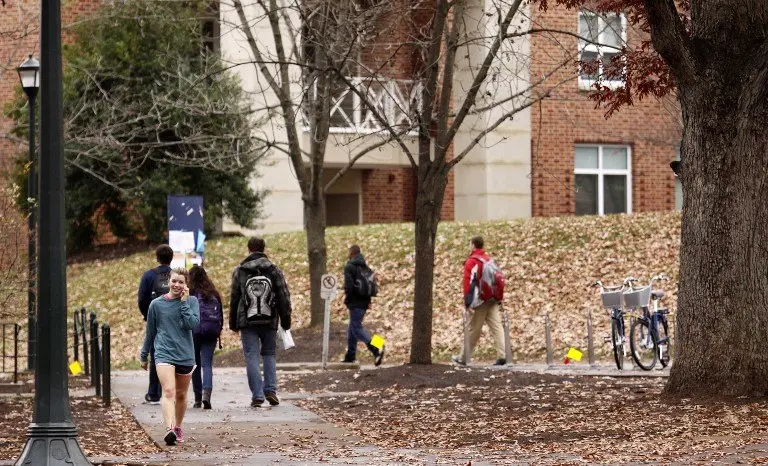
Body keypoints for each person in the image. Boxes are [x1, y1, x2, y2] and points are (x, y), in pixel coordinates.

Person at [139, 268, 200, 446]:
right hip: (163, 353)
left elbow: (192, 325)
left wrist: (183, 303)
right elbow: (150, 332)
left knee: (181, 395)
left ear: (186, 285)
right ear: (168, 281)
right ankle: (170, 429)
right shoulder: (156, 305)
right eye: (174, 281)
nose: (177, 285)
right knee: (168, 392)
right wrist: (144, 355)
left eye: (181, 282)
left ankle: (178, 426)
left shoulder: (192, 301)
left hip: (185, 355)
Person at [229, 237, 292, 408]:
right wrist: (286, 321)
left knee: (251, 356)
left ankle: (257, 395)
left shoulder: (240, 270)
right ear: (264, 249)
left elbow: (234, 298)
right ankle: (270, 389)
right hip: (270, 318)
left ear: (249, 249)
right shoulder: (273, 270)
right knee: (269, 354)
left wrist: (233, 323)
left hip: (247, 321)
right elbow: (283, 297)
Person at [452, 236, 506, 366]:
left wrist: (468, 302)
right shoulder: (489, 259)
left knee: (473, 329)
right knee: (497, 327)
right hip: (492, 299)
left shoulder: (471, 261)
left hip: (479, 300)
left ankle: (463, 358)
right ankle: (503, 355)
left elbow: (468, 282)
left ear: (473, 245)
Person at [137, 244, 174, 404]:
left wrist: (148, 315)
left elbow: (142, 299)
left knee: (155, 355)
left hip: (156, 320)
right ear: (171, 258)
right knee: (174, 355)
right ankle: (172, 390)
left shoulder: (148, 276)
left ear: (157, 258)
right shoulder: (176, 276)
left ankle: (153, 393)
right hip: (174, 322)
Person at [342, 245, 384, 366]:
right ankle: (350, 355)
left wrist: (348, 300)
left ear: (351, 253)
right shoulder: (365, 267)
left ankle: (377, 346)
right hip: (364, 302)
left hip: (355, 302)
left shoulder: (350, 267)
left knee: (356, 328)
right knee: (352, 328)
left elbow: (349, 287)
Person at [188, 265, 224, 410]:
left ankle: (197, 398)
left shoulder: (189, 294)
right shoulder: (213, 293)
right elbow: (221, 315)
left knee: (194, 364)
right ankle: (206, 395)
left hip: (194, 332)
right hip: (211, 331)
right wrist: (218, 331)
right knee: (207, 364)